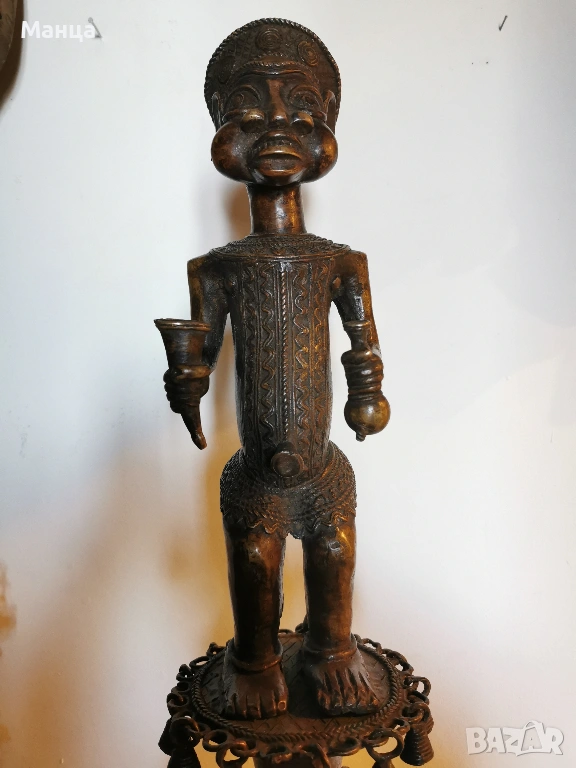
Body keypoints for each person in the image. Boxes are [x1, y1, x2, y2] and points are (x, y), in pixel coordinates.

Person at [163, 18, 390, 720]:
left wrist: (368, 392)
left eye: (300, 111)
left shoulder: (340, 263)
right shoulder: (217, 269)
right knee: (256, 559)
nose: (276, 130)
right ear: (223, 135)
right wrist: (186, 380)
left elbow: (363, 342)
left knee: (334, 548)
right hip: (256, 475)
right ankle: (255, 659)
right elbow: (200, 348)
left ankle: (331, 651)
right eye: (249, 114)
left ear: (326, 131)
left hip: (321, 470)